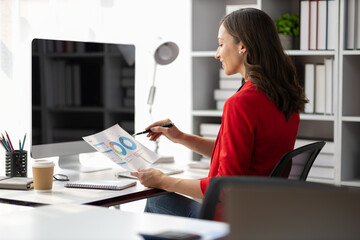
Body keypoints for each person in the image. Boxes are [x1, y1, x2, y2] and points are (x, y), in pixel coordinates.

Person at [131, 8, 307, 221]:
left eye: (221, 44)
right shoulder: (284, 98)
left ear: (242, 46)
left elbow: (224, 187)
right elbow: (240, 156)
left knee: (157, 200)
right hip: (261, 217)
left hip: (230, 221)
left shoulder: (242, 103)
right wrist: (182, 138)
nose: (217, 53)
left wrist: (163, 181)